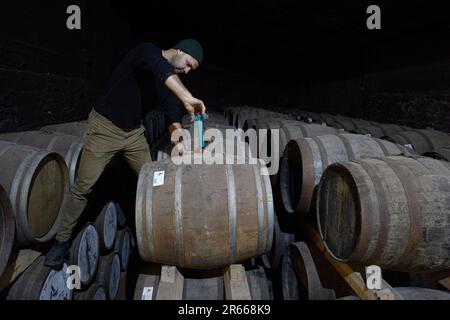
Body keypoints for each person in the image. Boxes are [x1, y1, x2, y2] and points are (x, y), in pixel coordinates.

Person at [44, 39, 206, 268]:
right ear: (179, 50)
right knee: (84, 187)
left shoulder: (172, 85)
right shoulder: (146, 52)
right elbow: (159, 68)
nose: (187, 70)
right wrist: (188, 97)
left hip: (134, 135)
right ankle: (61, 241)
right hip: (104, 129)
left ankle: (155, 237)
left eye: (192, 69)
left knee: (151, 183)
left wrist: (181, 145)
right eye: (188, 63)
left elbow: (172, 117)